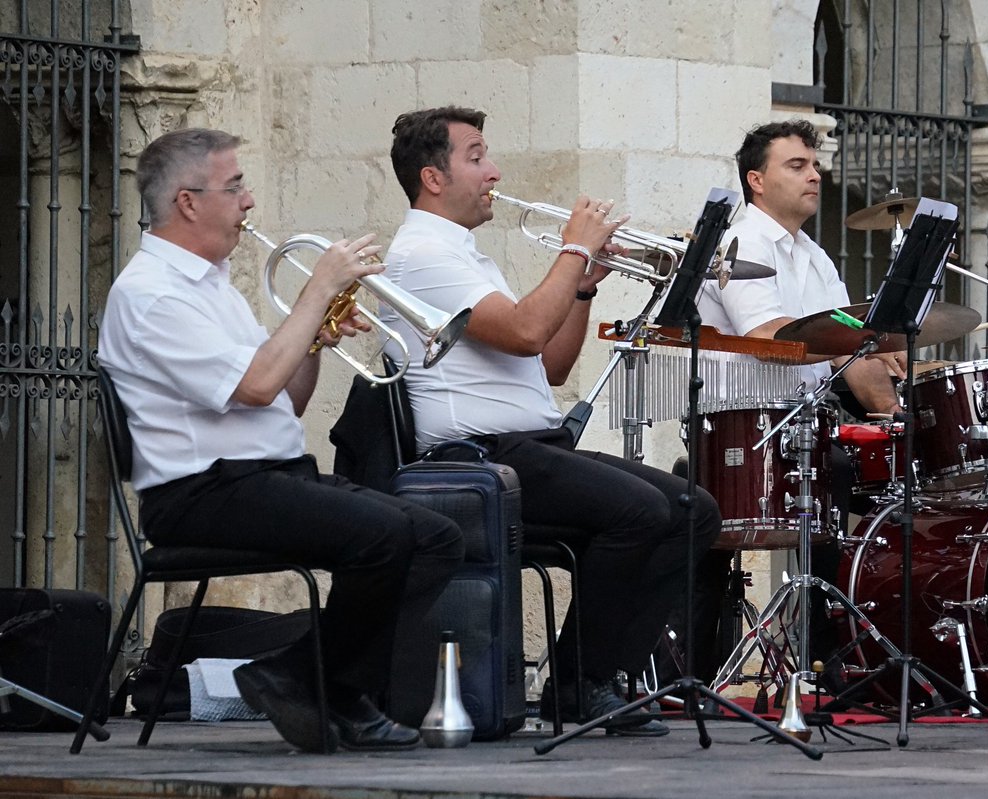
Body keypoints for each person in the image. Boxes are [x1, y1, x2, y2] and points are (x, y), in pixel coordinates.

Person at [98, 128, 464, 753]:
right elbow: (260, 386)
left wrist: (316, 333)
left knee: (437, 536)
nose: (248, 202)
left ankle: (325, 684)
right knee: (384, 536)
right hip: (201, 491)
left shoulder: (209, 284)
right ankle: (313, 681)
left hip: (263, 475)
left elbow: (286, 397)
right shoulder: (151, 294)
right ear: (188, 202)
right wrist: (314, 292)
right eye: (234, 186)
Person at [380, 106, 722, 736]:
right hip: (478, 458)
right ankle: (576, 685)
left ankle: (594, 675)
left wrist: (585, 284)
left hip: (529, 447)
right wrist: (573, 247)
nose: (495, 170)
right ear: (433, 177)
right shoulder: (422, 253)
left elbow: (552, 363)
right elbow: (525, 329)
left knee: (693, 510)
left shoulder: (467, 256)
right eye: (477, 156)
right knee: (640, 513)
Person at [688, 119, 906, 679]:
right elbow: (769, 340)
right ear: (756, 180)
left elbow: (847, 360)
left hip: (801, 426)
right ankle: (829, 652)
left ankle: (855, 649)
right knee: (834, 472)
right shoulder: (739, 243)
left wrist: (896, 410)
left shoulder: (815, 257)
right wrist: (855, 343)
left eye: (814, 165)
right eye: (797, 165)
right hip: (738, 430)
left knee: (897, 474)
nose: (815, 175)